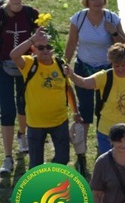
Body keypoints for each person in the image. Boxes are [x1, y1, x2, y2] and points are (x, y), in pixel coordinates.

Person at [65, 0, 125, 172]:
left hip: (106, 71)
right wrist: (64, 65)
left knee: (104, 109)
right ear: (87, 1)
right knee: (84, 111)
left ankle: (105, 147)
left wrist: (113, 32)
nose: (98, 2)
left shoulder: (111, 18)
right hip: (83, 67)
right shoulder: (79, 18)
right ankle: (81, 153)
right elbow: (71, 42)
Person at [10, 28, 79, 168]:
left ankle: (51, 179)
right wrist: (31, 39)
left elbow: (68, 89)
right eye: (41, 47)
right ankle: (37, 187)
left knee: (63, 158)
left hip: (60, 121)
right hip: (36, 124)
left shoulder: (60, 65)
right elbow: (14, 55)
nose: (45, 50)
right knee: (35, 164)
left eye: (49, 47)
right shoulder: (29, 64)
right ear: (33, 49)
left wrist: (75, 112)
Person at [68, 43, 125, 154]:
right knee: (109, 167)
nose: (120, 69)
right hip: (107, 133)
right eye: (116, 66)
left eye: (123, 65)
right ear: (111, 64)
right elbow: (83, 82)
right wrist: (71, 75)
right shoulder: (105, 76)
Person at [0, 0, 39, 174]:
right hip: (3, 66)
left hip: (25, 66)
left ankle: (22, 135)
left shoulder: (32, 14)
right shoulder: (1, 14)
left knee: (24, 104)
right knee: (7, 111)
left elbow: (41, 38)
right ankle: (7, 158)